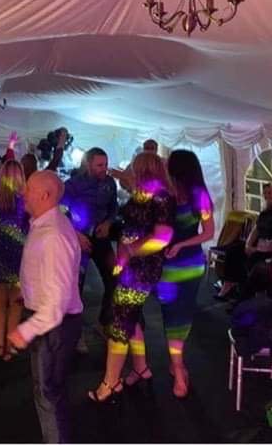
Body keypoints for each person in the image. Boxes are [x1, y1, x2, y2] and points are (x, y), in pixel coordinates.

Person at [88, 153, 176, 404]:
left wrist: (130, 249)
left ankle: (110, 382)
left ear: (144, 170)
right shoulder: (145, 193)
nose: (130, 170)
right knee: (131, 316)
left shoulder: (161, 197)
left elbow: (163, 237)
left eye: (134, 167)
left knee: (120, 322)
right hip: (131, 266)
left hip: (142, 268)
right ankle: (140, 367)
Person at [7, 171, 83, 443]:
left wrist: (25, 330)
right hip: (50, 321)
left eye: (28, 188)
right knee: (49, 391)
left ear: (45, 195)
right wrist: (27, 292)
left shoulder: (53, 235)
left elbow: (56, 304)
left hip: (54, 326)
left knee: (48, 393)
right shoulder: (45, 226)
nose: (22, 193)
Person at [152, 150, 215, 398]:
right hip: (190, 265)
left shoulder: (166, 195)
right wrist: (184, 244)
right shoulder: (198, 195)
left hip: (171, 266)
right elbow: (208, 233)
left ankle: (178, 369)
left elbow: (208, 232)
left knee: (172, 316)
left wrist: (178, 245)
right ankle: (177, 364)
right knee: (181, 315)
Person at [62, 148, 118, 334]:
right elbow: (61, 212)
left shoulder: (109, 183)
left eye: (106, 164)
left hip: (101, 238)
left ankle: (105, 322)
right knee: (76, 286)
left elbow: (113, 207)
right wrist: (76, 235)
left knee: (114, 278)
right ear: (88, 164)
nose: (104, 169)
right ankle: (75, 334)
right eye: (99, 165)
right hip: (79, 239)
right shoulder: (73, 185)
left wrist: (109, 223)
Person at [0, 160, 30, 361]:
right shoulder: (26, 201)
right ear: (20, 176)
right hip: (20, 256)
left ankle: (0, 345)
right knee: (16, 302)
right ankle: (10, 344)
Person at [217, 184, 272, 299]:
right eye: (265, 194)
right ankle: (228, 284)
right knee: (234, 249)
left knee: (254, 258)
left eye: (270, 193)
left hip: (270, 249)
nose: (267, 196)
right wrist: (248, 245)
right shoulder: (265, 213)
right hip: (258, 245)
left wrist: (257, 249)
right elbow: (256, 230)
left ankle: (245, 294)